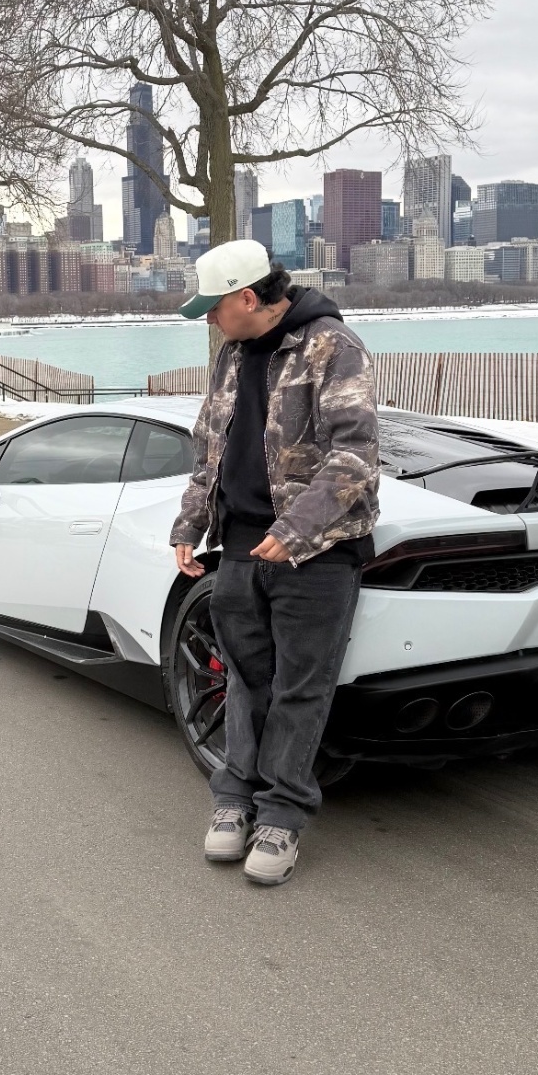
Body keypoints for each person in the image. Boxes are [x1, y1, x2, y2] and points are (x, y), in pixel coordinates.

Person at [170, 239, 379, 887]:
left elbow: (356, 457)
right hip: (239, 548)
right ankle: (234, 798)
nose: (208, 319)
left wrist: (294, 530)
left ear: (247, 297)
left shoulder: (333, 347)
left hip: (316, 553)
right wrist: (190, 524)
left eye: (213, 307)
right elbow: (210, 448)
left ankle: (282, 815)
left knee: (300, 686)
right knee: (244, 676)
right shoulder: (232, 356)